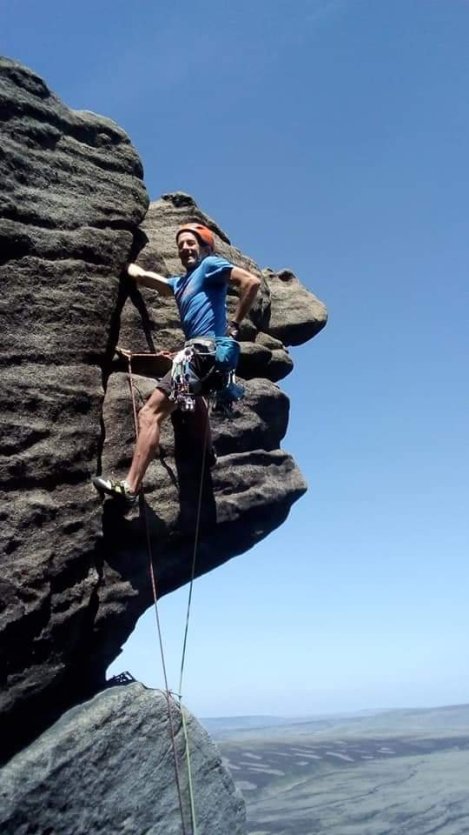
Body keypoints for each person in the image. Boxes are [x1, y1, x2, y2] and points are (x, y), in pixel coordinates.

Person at [93, 223, 260, 503]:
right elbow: (146, 278)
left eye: (191, 243)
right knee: (194, 395)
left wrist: (234, 326)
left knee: (149, 414)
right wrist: (122, 259)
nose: (185, 248)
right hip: (205, 360)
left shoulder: (210, 266)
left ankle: (130, 487)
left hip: (203, 354)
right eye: (180, 245)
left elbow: (251, 282)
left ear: (206, 248)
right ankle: (207, 452)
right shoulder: (180, 284)